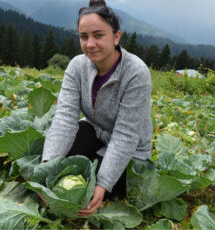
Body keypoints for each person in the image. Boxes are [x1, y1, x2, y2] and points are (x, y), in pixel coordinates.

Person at [40, 0, 153, 216]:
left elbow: (126, 135)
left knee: (92, 188)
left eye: (98, 35)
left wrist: (103, 184)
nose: (90, 43)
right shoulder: (77, 66)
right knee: (59, 165)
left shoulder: (136, 73)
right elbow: (64, 119)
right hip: (95, 131)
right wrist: (47, 169)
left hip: (130, 150)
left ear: (116, 36)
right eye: (84, 37)